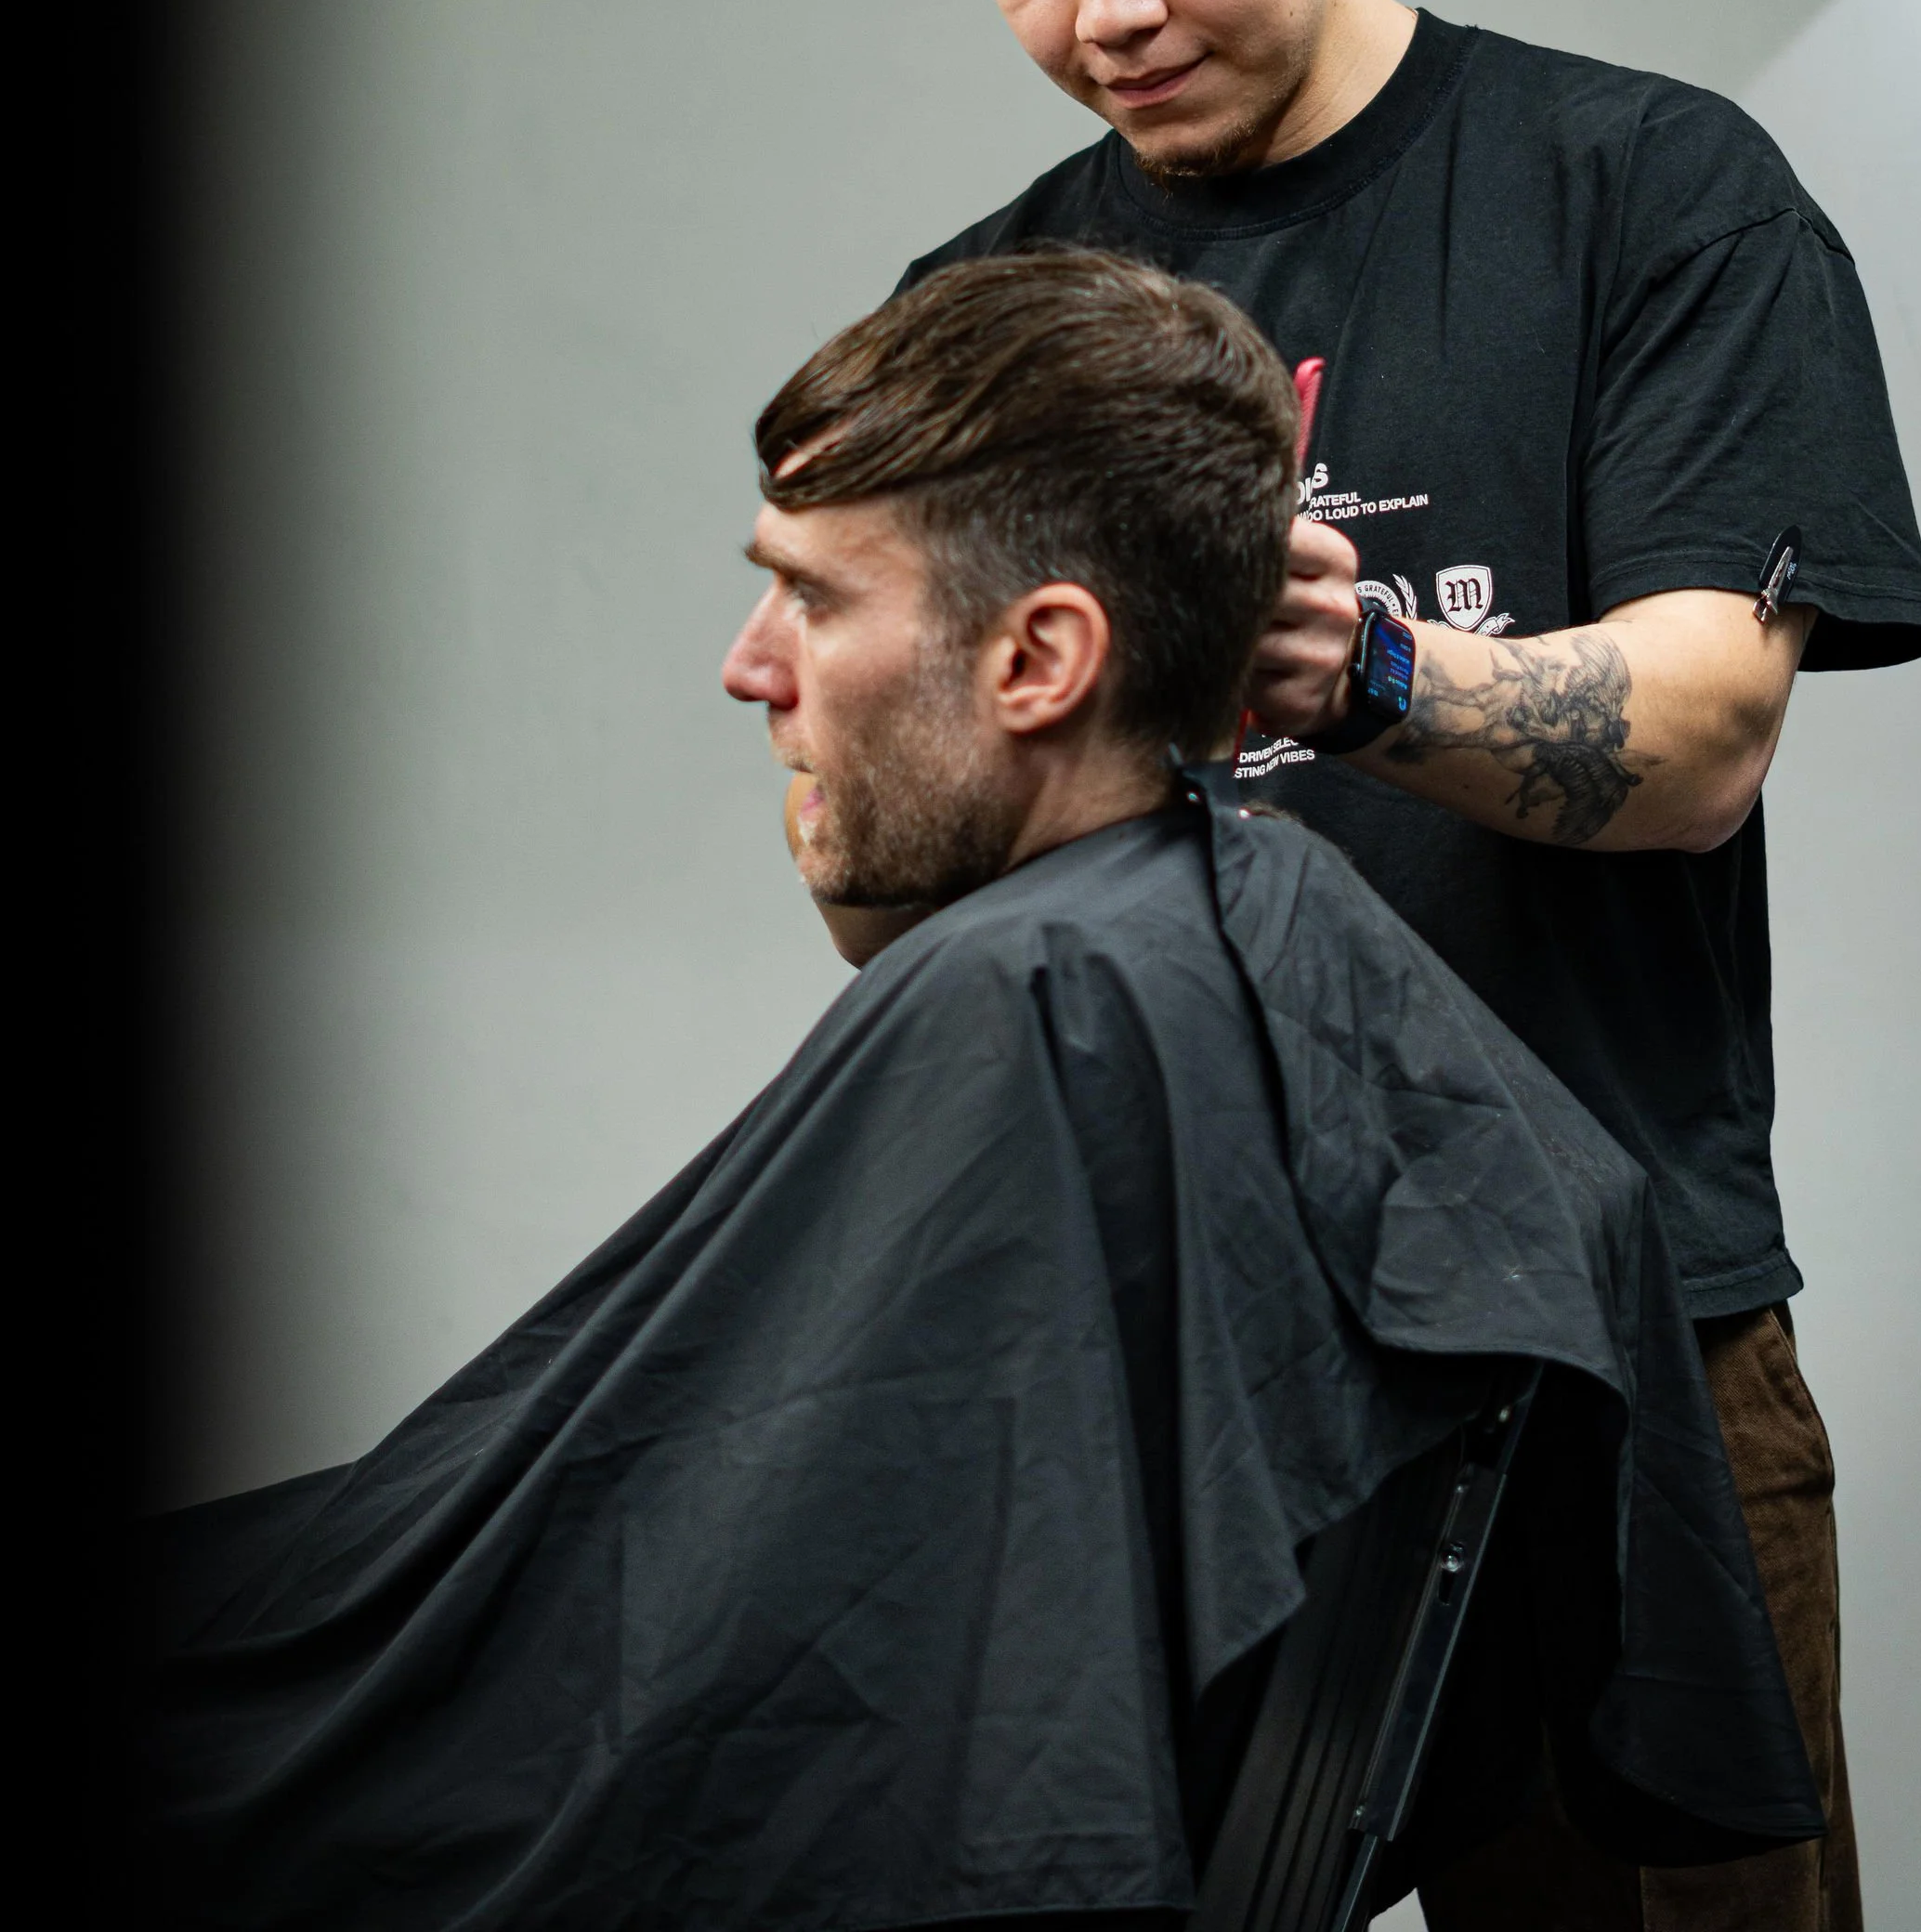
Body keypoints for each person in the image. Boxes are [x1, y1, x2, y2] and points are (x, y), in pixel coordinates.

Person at [152, 251, 1820, 1932]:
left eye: (809, 598)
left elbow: (708, 1658)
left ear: (1039, 661)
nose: (751, 668)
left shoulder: (1050, 998)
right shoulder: (1190, 957)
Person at [867, 0, 1921, 1932]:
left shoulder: (1645, 194)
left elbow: (1698, 740)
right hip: (1174, 1370)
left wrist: (1354, 675)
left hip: (1620, 1357)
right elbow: (920, 905)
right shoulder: (984, 324)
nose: (1108, 15)